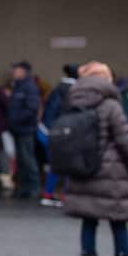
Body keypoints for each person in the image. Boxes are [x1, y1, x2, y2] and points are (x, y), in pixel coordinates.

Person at [61, 62, 128, 256]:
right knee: (118, 223)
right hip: (112, 171)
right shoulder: (111, 105)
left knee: (89, 222)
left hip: (83, 168)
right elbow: (125, 141)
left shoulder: (72, 102)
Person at [39, 64, 78, 205]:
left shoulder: (59, 88)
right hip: (59, 133)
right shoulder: (70, 90)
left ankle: (50, 194)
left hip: (50, 132)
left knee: (56, 164)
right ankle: (61, 195)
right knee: (64, 164)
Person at [7, 61, 42, 200]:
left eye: (16, 70)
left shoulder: (29, 87)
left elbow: (31, 108)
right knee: (21, 160)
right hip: (18, 129)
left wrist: (17, 120)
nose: (13, 72)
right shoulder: (18, 86)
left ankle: (34, 187)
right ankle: (25, 187)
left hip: (26, 129)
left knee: (28, 159)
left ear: (23, 71)